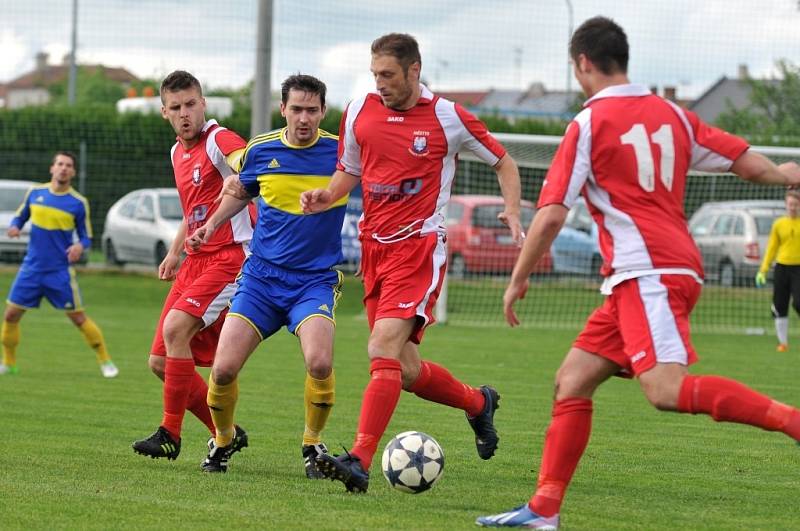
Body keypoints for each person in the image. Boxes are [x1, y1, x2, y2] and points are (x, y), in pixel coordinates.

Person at [476, 16, 800, 529]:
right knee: (572, 381)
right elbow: (744, 161)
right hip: (647, 272)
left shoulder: (588, 123)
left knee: (665, 391)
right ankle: (543, 510)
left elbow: (554, 211)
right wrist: (786, 174)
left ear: (583, 63)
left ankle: (794, 421)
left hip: (648, 270)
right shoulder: (673, 114)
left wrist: (518, 277)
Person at [300, 33, 524, 493]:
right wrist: (327, 195)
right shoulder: (359, 110)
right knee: (403, 368)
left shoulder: (447, 117)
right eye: (375, 74)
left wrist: (513, 209)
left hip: (419, 248)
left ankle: (359, 459)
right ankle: (479, 404)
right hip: (375, 250)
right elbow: (350, 172)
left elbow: (504, 162)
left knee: (381, 349)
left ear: (414, 71)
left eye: (388, 75)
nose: (380, 83)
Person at [187, 74, 342, 476]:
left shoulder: (341, 155)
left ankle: (312, 445)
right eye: (296, 109)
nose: (304, 118)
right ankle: (222, 440)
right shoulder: (262, 148)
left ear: (323, 111)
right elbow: (241, 190)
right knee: (222, 370)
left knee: (320, 362)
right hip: (260, 279)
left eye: (312, 110)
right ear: (283, 110)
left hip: (313, 281)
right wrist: (210, 226)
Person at [132, 70, 252, 461]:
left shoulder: (220, 140)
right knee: (159, 362)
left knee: (175, 328)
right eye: (176, 107)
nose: (185, 113)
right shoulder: (176, 153)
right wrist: (174, 250)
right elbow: (192, 210)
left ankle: (170, 433)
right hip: (196, 260)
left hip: (230, 256)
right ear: (165, 113)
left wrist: (244, 172)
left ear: (203, 104)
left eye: (190, 105)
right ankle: (226, 433)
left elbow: (247, 169)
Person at [1, 151, 118, 378]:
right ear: (52, 168)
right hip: (31, 270)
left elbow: (86, 237)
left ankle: (106, 361)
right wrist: (15, 226)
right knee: (10, 316)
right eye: (60, 164)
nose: (63, 168)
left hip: (59, 272)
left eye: (68, 165)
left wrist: (79, 247)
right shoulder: (35, 193)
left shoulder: (78, 203)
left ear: (73, 172)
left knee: (78, 318)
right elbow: (20, 216)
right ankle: (9, 363)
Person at [755, 189, 800, 352]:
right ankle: (783, 343)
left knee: (799, 302)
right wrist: (763, 270)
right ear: (786, 205)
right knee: (780, 305)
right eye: (790, 204)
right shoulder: (779, 224)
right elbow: (772, 248)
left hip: (798, 269)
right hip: (781, 268)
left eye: (795, 204)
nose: (793, 207)